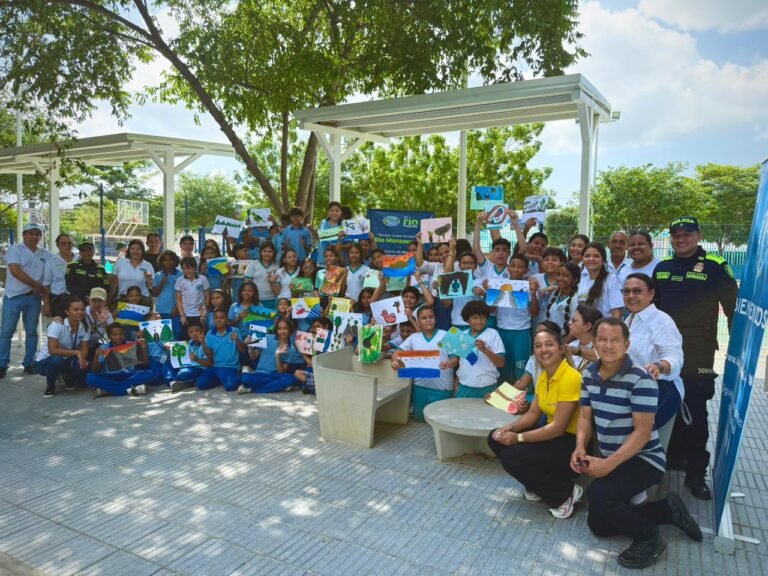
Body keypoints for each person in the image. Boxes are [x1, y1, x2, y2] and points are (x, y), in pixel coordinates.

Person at [573, 317, 702, 570]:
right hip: (617, 459)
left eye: (615, 340)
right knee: (598, 525)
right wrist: (579, 447)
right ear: (594, 342)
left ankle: (649, 538)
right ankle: (667, 510)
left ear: (627, 344)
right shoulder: (588, 374)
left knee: (598, 494)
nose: (608, 345)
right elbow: (585, 417)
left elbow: (642, 433)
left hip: (645, 459)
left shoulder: (641, 378)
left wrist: (608, 464)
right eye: (602, 339)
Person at [653, 216, 738, 499]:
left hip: (697, 351)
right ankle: (673, 457)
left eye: (687, 234)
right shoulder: (663, 267)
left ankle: (696, 474)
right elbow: (651, 308)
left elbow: (732, 309)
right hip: (664, 351)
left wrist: (736, 350)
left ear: (699, 235)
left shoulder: (715, 265)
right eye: (676, 235)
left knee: (695, 410)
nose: (681, 239)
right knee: (665, 403)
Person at [488, 325, 583, 519]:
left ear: (561, 348)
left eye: (549, 344)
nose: (543, 349)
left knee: (511, 456)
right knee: (494, 437)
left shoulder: (571, 377)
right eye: (538, 346)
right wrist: (509, 428)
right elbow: (532, 414)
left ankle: (564, 494)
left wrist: (518, 438)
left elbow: (558, 428)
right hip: (551, 434)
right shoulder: (544, 376)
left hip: (569, 442)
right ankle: (537, 485)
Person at [623, 273, 684, 430]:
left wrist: (659, 366)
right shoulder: (628, 320)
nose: (631, 296)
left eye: (637, 291)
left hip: (661, 388)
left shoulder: (661, 321)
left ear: (651, 294)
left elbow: (675, 356)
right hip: (632, 388)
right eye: (626, 291)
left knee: (633, 432)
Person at [0, 223, 52, 377]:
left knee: (32, 332)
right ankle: (2, 364)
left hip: (33, 298)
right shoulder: (14, 249)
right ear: (24, 235)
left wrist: (46, 299)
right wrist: (36, 285)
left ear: (40, 236)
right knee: (6, 332)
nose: (34, 236)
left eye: (37, 234)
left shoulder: (46, 254)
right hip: (13, 297)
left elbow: (48, 278)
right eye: (31, 233)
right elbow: (15, 271)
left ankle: (29, 363)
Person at [390, 306, 453, 421]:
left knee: (442, 421)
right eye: (424, 318)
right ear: (418, 321)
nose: (428, 320)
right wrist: (395, 362)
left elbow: (456, 359)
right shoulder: (414, 338)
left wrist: (449, 363)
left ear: (435, 318)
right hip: (419, 388)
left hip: (443, 389)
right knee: (419, 420)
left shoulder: (446, 335)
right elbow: (397, 353)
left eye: (431, 317)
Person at [443, 301, 505, 398]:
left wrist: (484, 350)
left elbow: (501, 363)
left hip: (488, 388)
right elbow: (456, 361)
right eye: (475, 318)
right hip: (464, 387)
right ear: (468, 319)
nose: (479, 321)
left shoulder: (493, 334)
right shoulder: (461, 335)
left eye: (482, 317)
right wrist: (448, 364)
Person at [34, 296, 90, 397]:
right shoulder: (57, 324)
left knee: (83, 377)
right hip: (44, 362)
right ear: (67, 312)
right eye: (75, 310)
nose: (80, 312)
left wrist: (82, 360)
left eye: (82, 309)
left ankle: (66, 377)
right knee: (56, 360)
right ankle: (50, 387)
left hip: (67, 358)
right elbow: (52, 350)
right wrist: (77, 352)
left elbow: (84, 350)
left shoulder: (85, 326)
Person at [238, 317, 304, 393]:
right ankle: (278, 386)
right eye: (279, 329)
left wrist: (277, 356)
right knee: (244, 378)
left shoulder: (291, 349)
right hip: (260, 373)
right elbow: (253, 356)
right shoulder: (267, 337)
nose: (282, 331)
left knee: (289, 379)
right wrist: (250, 347)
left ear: (290, 330)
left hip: (274, 375)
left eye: (285, 328)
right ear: (277, 330)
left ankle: (251, 389)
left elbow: (281, 372)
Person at [87, 323, 154, 397]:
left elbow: (145, 363)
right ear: (109, 336)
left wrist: (144, 349)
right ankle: (129, 389)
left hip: (128, 376)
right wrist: (96, 356)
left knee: (149, 374)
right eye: (115, 335)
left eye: (121, 334)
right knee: (90, 377)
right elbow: (95, 369)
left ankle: (113, 389)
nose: (118, 337)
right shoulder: (104, 348)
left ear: (124, 335)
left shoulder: (131, 344)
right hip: (110, 376)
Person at [196, 309, 247, 391]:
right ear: (213, 320)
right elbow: (210, 355)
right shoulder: (210, 333)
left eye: (222, 318)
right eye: (216, 318)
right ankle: (222, 380)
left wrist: (237, 340)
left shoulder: (235, 330)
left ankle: (229, 379)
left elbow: (243, 351)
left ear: (226, 319)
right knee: (201, 384)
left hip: (231, 367)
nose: (219, 320)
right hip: (216, 367)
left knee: (231, 386)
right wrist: (203, 343)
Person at [163, 319, 211, 392]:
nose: (194, 333)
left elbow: (209, 364)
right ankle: (173, 382)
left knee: (183, 374)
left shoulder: (206, 342)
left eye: (197, 331)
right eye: (191, 332)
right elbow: (183, 359)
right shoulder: (189, 343)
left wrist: (196, 359)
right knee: (167, 364)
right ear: (188, 333)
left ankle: (183, 382)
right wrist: (172, 350)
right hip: (188, 366)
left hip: (200, 369)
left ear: (202, 331)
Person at [577, 242, 623, 318]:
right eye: (587, 256)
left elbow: (616, 313)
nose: (591, 259)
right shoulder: (582, 278)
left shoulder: (611, 279)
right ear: (582, 259)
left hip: (604, 324)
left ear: (603, 260)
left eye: (596, 256)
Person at [65, 240, 110, 306]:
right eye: (84, 251)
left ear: (94, 251)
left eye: (89, 250)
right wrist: (85, 297)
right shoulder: (72, 266)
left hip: (96, 303)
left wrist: (94, 298)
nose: (87, 253)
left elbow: (105, 286)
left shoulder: (100, 268)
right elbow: (70, 286)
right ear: (80, 252)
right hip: (77, 302)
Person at [175, 256, 210, 338]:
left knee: (201, 336)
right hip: (186, 314)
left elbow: (207, 296)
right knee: (186, 336)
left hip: (199, 314)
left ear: (195, 268)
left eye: (189, 268)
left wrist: (204, 313)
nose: (187, 271)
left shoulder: (203, 279)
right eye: (184, 269)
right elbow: (178, 299)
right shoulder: (179, 280)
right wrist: (182, 315)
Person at [152, 250, 183, 338]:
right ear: (162, 262)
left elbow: (184, 294)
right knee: (163, 335)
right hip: (161, 310)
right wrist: (162, 283)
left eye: (171, 259)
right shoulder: (158, 275)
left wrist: (177, 308)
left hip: (176, 311)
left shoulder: (180, 275)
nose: (168, 262)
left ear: (175, 261)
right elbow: (154, 294)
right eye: (165, 260)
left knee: (177, 333)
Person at [544, 263, 580, 337]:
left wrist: (565, 342)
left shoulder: (576, 298)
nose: (560, 278)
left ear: (575, 279)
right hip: (553, 337)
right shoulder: (554, 294)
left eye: (565, 276)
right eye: (558, 274)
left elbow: (576, 325)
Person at [44, 233, 76, 318]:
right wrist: (46, 304)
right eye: (63, 243)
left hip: (76, 300)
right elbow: (46, 284)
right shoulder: (51, 261)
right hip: (57, 299)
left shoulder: (79, 259)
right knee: (58, 323)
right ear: (57, 245)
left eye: (69, 243)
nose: (67, 246)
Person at [566, 304, 602, 373]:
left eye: (574, 320)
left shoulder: (603, 347)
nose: (569, 323)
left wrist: (577, 351)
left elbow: (604, 358)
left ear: (587, 326)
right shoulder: (572, 345)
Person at [244, 241, 279, 309]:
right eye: (264, 251)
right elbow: (247, 284)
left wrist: (271, 281)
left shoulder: (277, 266)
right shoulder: (253, 264)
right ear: (260, 252)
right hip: (255, 300)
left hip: (273, 300)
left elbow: (279, 287)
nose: (267, 253)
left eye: (270, 251)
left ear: (274, 253)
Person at [84, 287, 113, 359]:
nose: (96, 303)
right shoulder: (82, 311)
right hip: (81, 345)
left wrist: (104, 324)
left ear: (105, 302)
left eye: (100, 300)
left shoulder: (108, 314)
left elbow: (111, 337)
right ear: (89, 301)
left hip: (98, 345)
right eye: (94, 300)